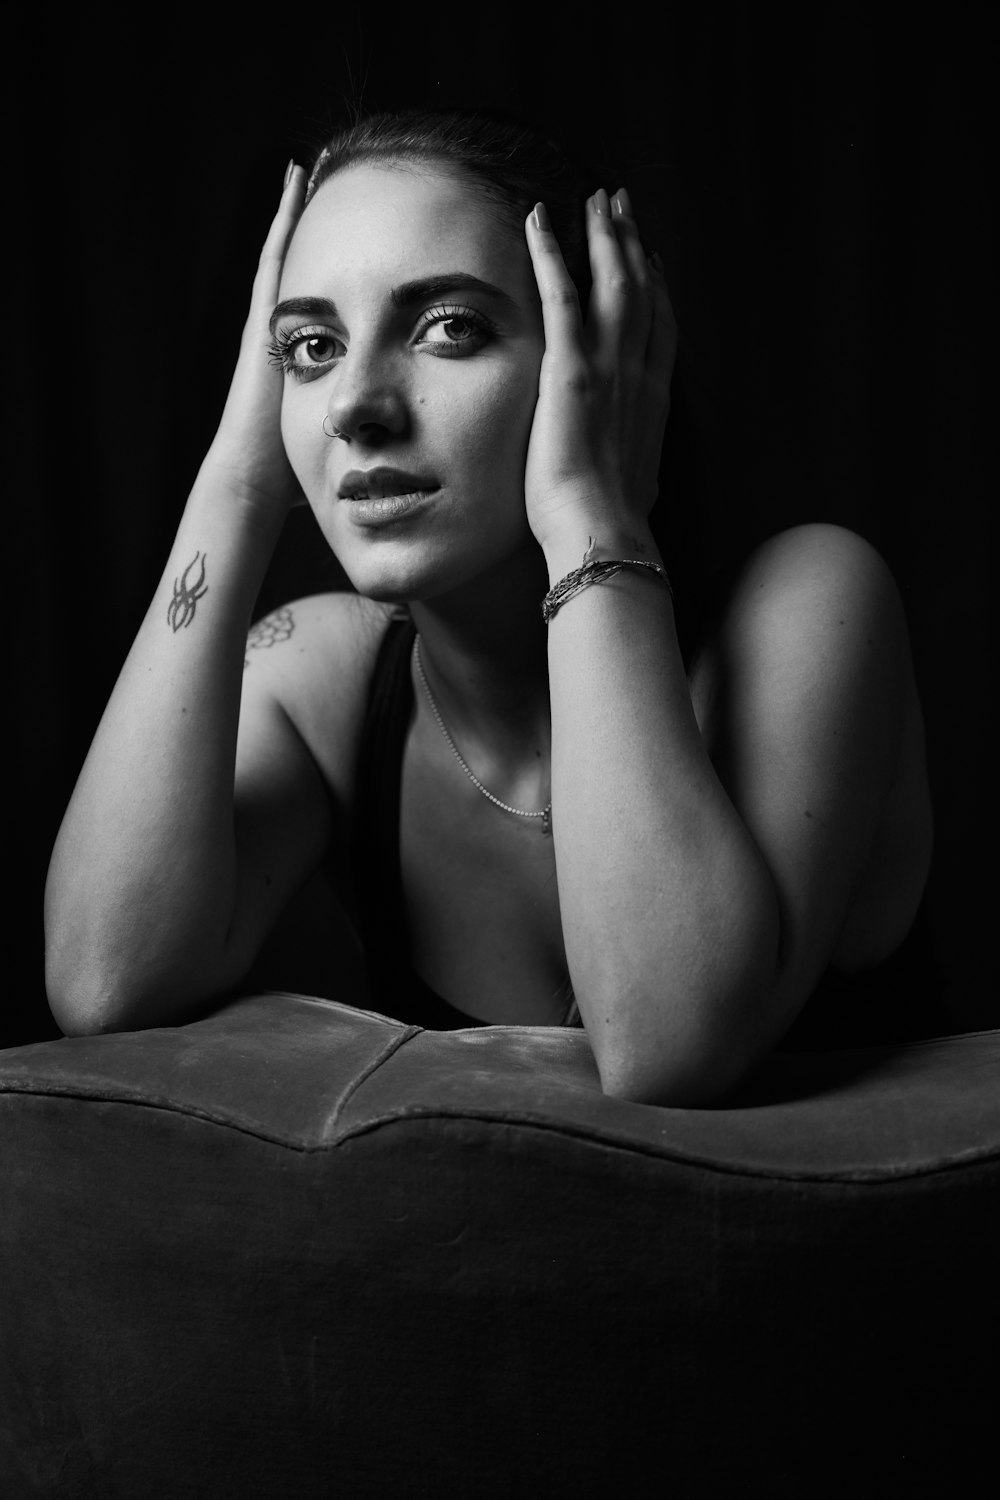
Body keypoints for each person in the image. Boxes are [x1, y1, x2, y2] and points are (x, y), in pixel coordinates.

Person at [44, 109, 935, 1105]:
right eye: (308, 347)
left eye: (449, 329)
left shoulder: (808, 608)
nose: (354, 405)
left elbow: (668, 1047)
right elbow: (102, 978)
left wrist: (589, 509)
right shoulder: (326, 683)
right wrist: (237, 488)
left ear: (597, 355)